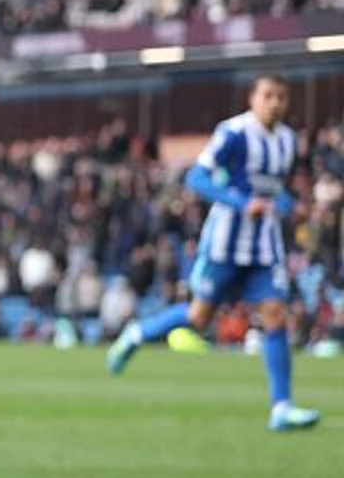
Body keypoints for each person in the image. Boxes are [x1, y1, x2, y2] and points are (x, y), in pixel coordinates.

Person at [107, 74, 320, 431]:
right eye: (268, 95)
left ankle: (282, 407)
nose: (275, 103)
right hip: (225, 243)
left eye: (281, 97)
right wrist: (241, 204)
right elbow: (197, 178)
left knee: (275, 314)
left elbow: (271, 190)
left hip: (264, 246)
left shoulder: (286, 140)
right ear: (253, 98)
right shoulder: (233, 133)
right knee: (198, 318)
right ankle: (136, 334)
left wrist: (290, 206)